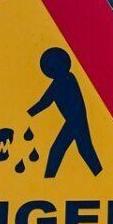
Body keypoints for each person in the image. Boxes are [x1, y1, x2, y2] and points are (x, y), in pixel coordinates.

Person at [28, 46, 101, 177]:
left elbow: (45, 102)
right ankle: (100, 174)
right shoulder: (65, 78)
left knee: (58, 150)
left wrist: (27, 115)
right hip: (75, 120)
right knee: (84, 149)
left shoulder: (64, 80)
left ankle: (48, 181)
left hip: (75, 120)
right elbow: (45, 101)